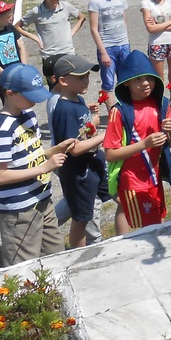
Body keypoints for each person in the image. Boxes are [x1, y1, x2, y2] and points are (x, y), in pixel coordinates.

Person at [0, 62, 76, 266]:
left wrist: (55, 150)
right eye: (30, 96)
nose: (34, 101)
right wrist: (45, 168)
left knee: (55, 256)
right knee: (24, 266)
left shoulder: (28, 116)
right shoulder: (2, 128)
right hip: (19, 210)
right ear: (10, 93)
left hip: (42, 198)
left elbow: (30, 157)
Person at [103, 50, 171, 235]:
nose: (145, 83)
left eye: (149, 78)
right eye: (138, 79)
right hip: (132, 181)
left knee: (156, 224)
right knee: (135, 225)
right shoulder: (119, 112)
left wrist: (170, 131)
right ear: (126, 82)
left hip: (154, 178)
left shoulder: (161, 104)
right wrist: (144, 144)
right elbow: (110, 154)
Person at [49, 55, 107, 248]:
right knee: (81, 219)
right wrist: (106, 136)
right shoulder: (64, 109)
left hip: (91, 165)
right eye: (80, 77)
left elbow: (84, 130)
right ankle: (77, 255)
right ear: (63, 81)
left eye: (87, 76)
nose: (86, 81)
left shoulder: (78, 99)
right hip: (76, 172)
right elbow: (74, 149)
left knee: (115, 195)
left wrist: (94, 118)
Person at [15, 0, 86, 82]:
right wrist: (35, 38)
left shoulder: (66, 6)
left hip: (68, 52)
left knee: (71, 84)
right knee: (54, 86)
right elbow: (17, 26)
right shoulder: (37, 11)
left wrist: (71, 33)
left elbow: (81, 17)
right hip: (49, 55)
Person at [88, 0, 131, 109]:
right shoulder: (96, 2)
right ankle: (112, 111)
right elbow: (94, 28)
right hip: (107, 46)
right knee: (108, 82)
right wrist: (103, 52)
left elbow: (124, 22)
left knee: (125, 79)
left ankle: (125, 108)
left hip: (123, 44)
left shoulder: (122, 0)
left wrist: (126, 42)